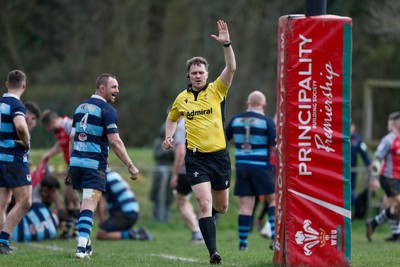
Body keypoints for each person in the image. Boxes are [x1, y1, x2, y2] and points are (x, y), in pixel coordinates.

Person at [162, 20, 236, 265]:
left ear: (207, 74)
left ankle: (209, 225)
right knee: (204, 203)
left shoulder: (216, 90)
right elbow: (171, 118)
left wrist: (226, 44)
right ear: (188, 75)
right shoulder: (182, 99)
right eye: (193, 73)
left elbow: (232, 68)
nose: (197, 76)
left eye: (201, 72)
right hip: (196, 158)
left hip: (219, 156)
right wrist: (169, 135)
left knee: (221, 208)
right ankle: (213, 253)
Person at [68, 73, 139, 259]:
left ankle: (87, 245)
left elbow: (72, 138)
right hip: (94, 165)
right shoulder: (107, 110)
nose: (117, 90)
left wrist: (70, 163)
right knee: (89, 207)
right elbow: (115, 142)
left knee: (83, 207)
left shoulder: (79, 107)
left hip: (76, 164)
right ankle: (81, 248)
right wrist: (130, 165)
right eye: (113, 87)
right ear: (102, 88)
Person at [226, 90, 276, 251]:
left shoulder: (235, 120)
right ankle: (275, 239)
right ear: (264, 105)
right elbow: (274, 147)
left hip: (242, 167)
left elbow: (222, 141)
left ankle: (243, 243)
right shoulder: (267, 122)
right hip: (261, 167)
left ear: (248, 104)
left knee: (245, 205)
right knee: (272, 200)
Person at [0, 70, 32, 255]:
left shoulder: (1, 103)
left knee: (3, 201)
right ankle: (3, 240)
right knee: (25, 201)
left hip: (0, 157)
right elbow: (20, 125)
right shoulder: (15, 104)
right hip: (13, 158)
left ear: (6, 84)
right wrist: (26, 143)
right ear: (24, 85)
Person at [40, 109, 80, 239]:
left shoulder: (69, 125)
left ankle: (77, 229)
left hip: (77, 165)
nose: (48, 130)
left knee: (73, 197)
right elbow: (59, 146)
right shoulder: (58, 132)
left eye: (48, 126)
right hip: (71, 166)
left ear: (52, 121)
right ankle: (70, 228)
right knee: (68, 198)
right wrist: (47, 155)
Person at [366, 111, 400, 242]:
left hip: (398, 177)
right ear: (396, 123)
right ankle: (396, 233)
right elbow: (377, 158)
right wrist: (374, 178)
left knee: (393, 206)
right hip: (388, 177)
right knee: (396, 204)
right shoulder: (388, 140)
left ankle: (373, 224)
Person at [169, 118, 203, 243]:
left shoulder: (181, 126)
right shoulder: (201, 120)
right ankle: (206, 231)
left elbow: (181, 152)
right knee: (204, 201)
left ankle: (196, 232)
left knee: (181, 201)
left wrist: (175, 174)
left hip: (187, 169)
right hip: (206, 167)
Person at [96, 169, 152, 241]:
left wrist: (102, 222)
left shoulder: (102, 177)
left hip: (125, 213)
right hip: (133, 211)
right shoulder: (113, 174)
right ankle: (135, 232)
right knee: (111, 231)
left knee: (101, 234)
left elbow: (100, 203)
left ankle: (136, 234)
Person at [12, 175, 65, 242]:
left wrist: (56, 200)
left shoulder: (45, 193)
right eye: (53, 191)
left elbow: (62, 215)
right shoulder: (33, 199)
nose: (55, 195)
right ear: (45, 190)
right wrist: (57, 203)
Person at [149, 122, 175, 222]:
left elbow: (176, 155)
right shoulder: (157, 142)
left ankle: (165, 219)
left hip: (170, 169)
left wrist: (171, 148)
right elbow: (157, 154)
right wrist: (166, 149)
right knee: (157, 195)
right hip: (159, 169)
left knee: (168, 196)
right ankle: (155, 219)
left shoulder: (174, 142)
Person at [350, 121, 371, 218]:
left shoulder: (357, 140)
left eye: (351, 126)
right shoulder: (339, 137)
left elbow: (364, 153)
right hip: (338, 171)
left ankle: (351, 214)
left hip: (352, 172)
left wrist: (369, 165)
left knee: (351, 192)